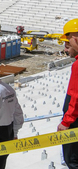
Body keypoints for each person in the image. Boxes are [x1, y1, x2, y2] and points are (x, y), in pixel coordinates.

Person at [61, 19, 78, 169]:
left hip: (75, 121)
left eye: (68, 41)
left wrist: (66, 122)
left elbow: (75, 95)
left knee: (72, 159)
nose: (67, 47)